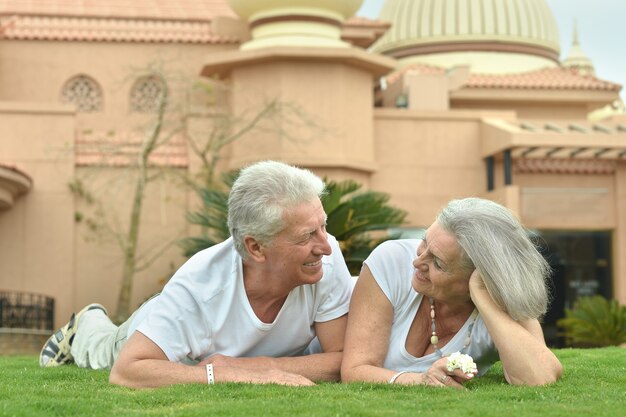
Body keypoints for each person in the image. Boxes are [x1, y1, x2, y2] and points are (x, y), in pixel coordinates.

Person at [39, 160, 354, 388]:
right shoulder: (199, 290)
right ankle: (87, 324)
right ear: (256, 248)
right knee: (103, 350)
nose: (325, 246)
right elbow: (127, 371)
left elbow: (343, 360)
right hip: (153, 326)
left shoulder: (325, 260)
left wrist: (259, 368)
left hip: (198, 333)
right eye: (306, 236)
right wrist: (223, 374)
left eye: (323, 226)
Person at [341, 197, 563, 388]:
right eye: (424, 242)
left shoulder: (501, 300)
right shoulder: (392, 260)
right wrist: (420, 380)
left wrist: (481, 295)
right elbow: (355, 370)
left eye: (438, 262)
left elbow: (540, 376)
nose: (417, 261)